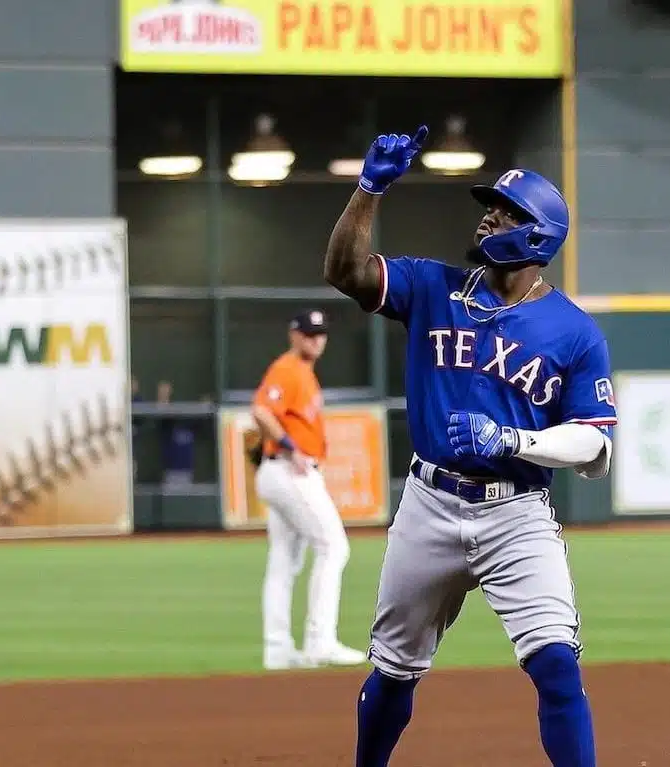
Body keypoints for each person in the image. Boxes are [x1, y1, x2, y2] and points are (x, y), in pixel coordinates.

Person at [324, 127, 614, 767]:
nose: (489, 216)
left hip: (517, 513)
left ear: (537, 236)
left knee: (557, 665)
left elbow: (595, 448)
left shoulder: (573, 330)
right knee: (395, 671)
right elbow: (344, 270)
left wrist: (513, 438)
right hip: (429, 503)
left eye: (506, 212)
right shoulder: (432, 287)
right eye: (491, 206)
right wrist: (370, 189)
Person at [250, 309, 364, 670]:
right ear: (294, 335)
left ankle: (278, 650)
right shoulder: (287, 368)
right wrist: (288, 446)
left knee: (284, 561)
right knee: (333, 546)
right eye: (309, 334)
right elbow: (260, 411)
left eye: (321, 334)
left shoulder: (303, 373)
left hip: (281, 471)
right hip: (288, 470)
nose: (316, 340)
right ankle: (320, 641)